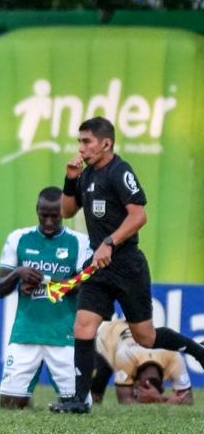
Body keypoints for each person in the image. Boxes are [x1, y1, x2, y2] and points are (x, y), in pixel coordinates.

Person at [52, 116, 204, 413]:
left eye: (87, 141)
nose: (81, 148)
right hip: (98, 265)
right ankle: (79, 401)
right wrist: (70, 180)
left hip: (127, 265)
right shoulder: (86, 174)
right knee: (83, 325)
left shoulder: (120, 172)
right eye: (79, 141)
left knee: (145, 337)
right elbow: (67, 211)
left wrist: (110, 242)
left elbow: (139, 216)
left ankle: (198, 351)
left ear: (106, 143)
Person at [0, 187, 92, 408]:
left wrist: (43, 279)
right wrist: (18, 274)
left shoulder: (79, 242)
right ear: (37, 210)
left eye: (54, 216)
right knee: (9, 404)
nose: (48, 222)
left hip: (63, 334)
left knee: (77, 406)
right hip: (26, 332)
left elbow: (84, 286)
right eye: (43, 215)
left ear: (64, 213)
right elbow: (0, 289)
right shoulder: (18, 239)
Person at [93, 320, 194, 406]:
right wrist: (160, 399)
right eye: (136, 394)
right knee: (95, 394)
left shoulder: (173, 356)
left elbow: (188, 398)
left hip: (129, 336)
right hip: (106, 335)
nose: (135, 394)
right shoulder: (125, 356)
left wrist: (156, 398)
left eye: (136, 393)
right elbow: (124, 400)